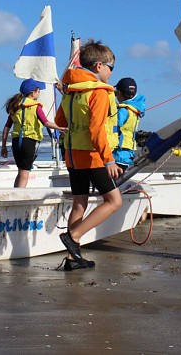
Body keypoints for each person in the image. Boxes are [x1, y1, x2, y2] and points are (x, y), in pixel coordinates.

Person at [55, 40, 123, 270]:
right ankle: (74, 237)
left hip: (72, 155)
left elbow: (60, 122)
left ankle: (73, 259)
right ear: (98, 66)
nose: (112, 72)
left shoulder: (70, 91)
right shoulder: (100, 92)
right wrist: (109, 159)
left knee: (79, 204)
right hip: (93, 156)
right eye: (111, 67)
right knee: (114, 201)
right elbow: (96, 130)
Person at [0, 78, 65, 188]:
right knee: (25, 173)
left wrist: (3, 146)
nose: (39, 93)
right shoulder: (35, 107)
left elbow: (6, 127)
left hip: (16, 142)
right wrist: (61, 128)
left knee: (20, 172)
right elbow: (46, 123)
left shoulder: (15, 106)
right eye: (38, 90)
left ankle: (15, 193)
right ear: (32, 92)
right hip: (28, 142)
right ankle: (19, 198)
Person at [113, 77, 146, 171]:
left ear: (119, 93)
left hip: (118, 150)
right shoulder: (135, 109)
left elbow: (114, 125)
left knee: (114, 179)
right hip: (128, 149)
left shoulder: (123, 110)